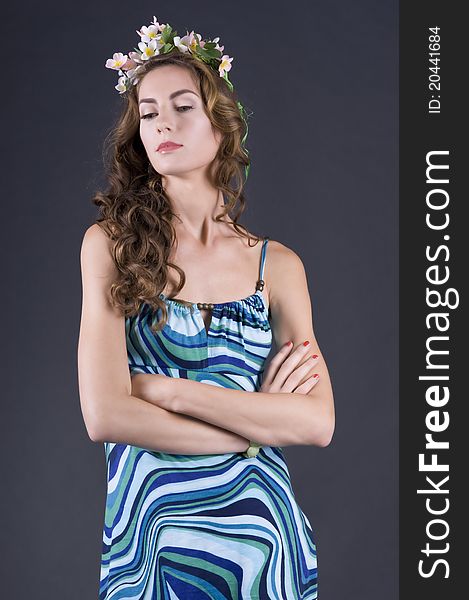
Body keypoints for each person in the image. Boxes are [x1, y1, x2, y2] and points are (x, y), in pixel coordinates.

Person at [77, 15, 335, 600]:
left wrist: (167, 392)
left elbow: (317, 423)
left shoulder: (280, 268)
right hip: (153, 545)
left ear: (222, 126)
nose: (162, 121)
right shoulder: (110, 246)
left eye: (182, 106)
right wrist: (254, 427)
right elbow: (106, 416)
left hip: (266, 545)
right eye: (147, 112)